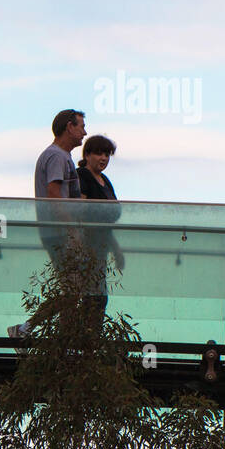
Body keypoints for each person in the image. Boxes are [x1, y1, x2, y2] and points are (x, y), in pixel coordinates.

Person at [8, 109, 86, 339]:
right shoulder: (57, 156)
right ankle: (29, 329)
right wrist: (72, 231)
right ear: (69, 127)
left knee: (72, 290)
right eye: (81, 126)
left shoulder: (62, 157)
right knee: (73, 290)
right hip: (59, 232)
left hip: (57, 231)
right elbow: (53, 193)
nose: (84, 132)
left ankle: (54, 335)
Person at [77, 134, 124, 325]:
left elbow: (108, 220)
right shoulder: (83, 176)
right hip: (87, 245)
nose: (104, 158)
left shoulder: (105, 180)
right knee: (92, 298)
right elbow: (78, 211)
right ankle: (84, 343)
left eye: (107, 154)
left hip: (101, 247)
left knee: (97, 298)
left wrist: (116, 249)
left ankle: (89, 343)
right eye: (98, 153)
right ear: (87, 154)